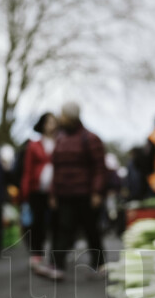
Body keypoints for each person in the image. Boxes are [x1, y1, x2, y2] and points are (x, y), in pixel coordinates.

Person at [44, 101, 109, 280]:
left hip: (85, 195)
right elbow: (55, 169)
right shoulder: (60, 139)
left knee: (91, 229)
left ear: (70, 117)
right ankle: (57, 264)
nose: (60, 118)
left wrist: (97, 192)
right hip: (65, 194)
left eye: (62, 115)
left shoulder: (90, 138)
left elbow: (99, 168)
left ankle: (99, 263)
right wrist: (53, 193)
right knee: (63, 229)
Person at [22, 112, 58, 272]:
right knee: (38, 223)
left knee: (56, 223)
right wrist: (25, 192)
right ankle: (37, 253)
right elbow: (28, 170)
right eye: (49, 122)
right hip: (38, 191)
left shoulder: (60, 143)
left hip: (56, 191)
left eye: (54, 122)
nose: (52, 125)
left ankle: (57, 255)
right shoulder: (34, 146)